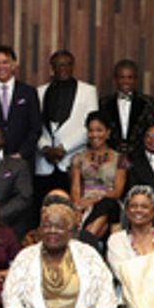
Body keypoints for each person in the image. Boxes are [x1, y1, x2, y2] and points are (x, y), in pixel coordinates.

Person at [35, 49, 99, 199]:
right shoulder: (39, 92)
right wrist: (44, 148)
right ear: (52, 67)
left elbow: (91, 127)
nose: (63, 69)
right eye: (58, 65)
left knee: (73, 208)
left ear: (73, 66)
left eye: (67, 65)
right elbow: (33, 125)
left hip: (74, 161)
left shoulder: (88, 91)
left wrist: (63, 148)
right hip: (44, 164)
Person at [0, 44, 42, 163]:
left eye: (5, 62)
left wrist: (22, 153)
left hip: (22, 160)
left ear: (14, 64)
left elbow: (35, 128)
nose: (1, 67)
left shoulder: (28, 93)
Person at [68, 112, 127, 241]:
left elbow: (117, 192)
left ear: (108, 133)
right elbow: (76, 188)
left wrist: (94, 199)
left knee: (106, 205)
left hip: (110, 201)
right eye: (91, 131)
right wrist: (78, 207)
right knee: (101, 223)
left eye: (99, 130)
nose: (95, 135)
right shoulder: (78, 158)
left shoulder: (120, 159)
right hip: (84, 203)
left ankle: (84, 240)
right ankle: (89, 239)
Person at [100, 58, 154, 157]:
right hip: (110, 159)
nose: (126, 81)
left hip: (141, 159)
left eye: (130, 77)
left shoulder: (149, 103)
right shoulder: (103, 104)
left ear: (136, 79)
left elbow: (153, 131)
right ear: (115, 79)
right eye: (122, 77)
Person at [105, 185, 154, 280]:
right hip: (129, 292)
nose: (138, 210)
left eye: (144, 207)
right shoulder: (117, 240)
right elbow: (123, 275)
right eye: (133, 206)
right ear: (126, 211)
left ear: (153, 211)